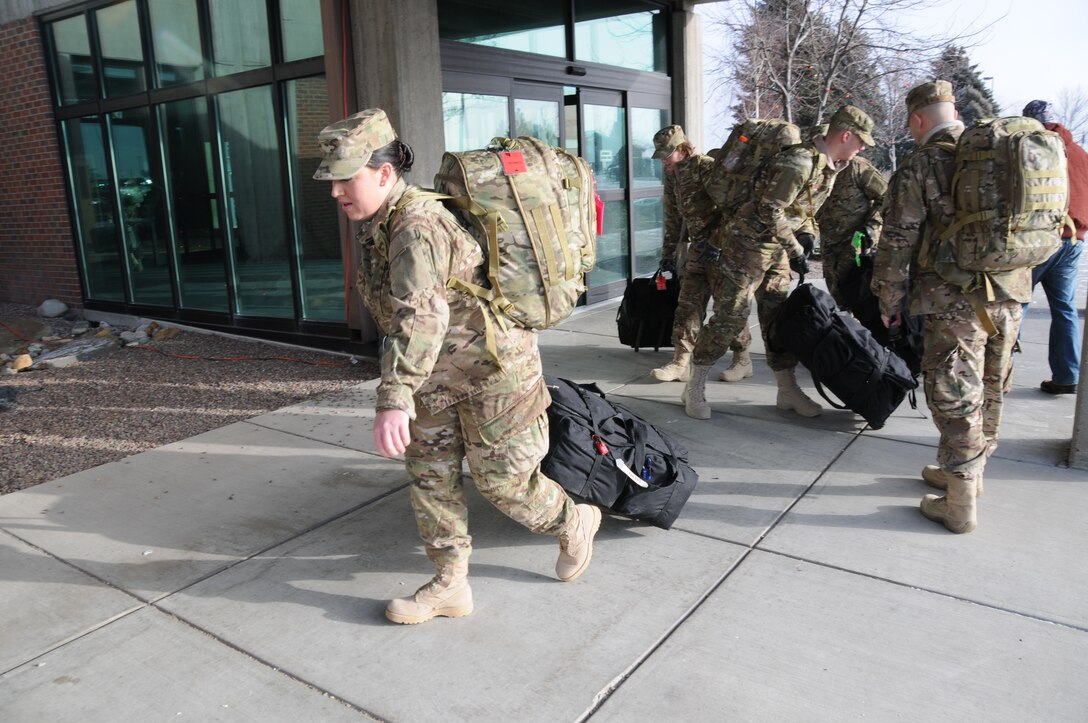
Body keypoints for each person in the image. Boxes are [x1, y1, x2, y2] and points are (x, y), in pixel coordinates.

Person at [313, 109, 601, 624]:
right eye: (332, 181)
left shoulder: (416, 228)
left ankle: (572, 519)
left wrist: (393, 397)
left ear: (383, 173)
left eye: (344, 179)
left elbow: (419, 318)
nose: (336, 193)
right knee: (431, 477)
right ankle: (450, 584)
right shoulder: (381, 222)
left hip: (494, 373)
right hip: (437, 376)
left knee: (503, 485)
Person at [872, 81, 1031, 534]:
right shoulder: (1001, 153)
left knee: (955, 394)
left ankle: (959, 501)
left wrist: (889, 299)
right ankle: (972, 474)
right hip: (1010, 293)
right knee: (992, 385)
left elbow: (898, 238)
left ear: (918, 118)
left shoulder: (923, 161)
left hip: (955, 301)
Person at [682, 105, 876, 420]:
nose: (863, 147)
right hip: (744, 246)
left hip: (775, 251)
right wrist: (797, 250)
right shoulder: (798, 162)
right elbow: (769, 209)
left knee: (778, 320)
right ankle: (695, 385)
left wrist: (808, 234)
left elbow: (805, 210)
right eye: (861, 140)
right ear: (846, 134)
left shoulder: (825, 165)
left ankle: (786, 391)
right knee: (729, 318)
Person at [650, 125, 753, 384]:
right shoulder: (672, 177)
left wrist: (717, 243)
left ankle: (742, 358)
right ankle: (680, 361)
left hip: (723, 250)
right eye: (660, 154)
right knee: (688, 306)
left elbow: (732, 209)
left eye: (667, 153)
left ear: (682, 149)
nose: (663, 159)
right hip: (698, 249)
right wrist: (668, 255)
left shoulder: (706, 167)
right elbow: (673, 219)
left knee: (727, 307)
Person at [1021, 100, 1088, 395]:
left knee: (1015, 301)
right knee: (1064, 309)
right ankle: (1066, 376)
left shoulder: (1036, 148)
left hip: (1041, 238)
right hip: (1074, 239)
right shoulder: (1080, 153)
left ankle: (998, 374)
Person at [815, 154, 887, 307]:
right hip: (829, 243)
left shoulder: (856, 166)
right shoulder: (817, 166)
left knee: (858, 295)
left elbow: (887, 197)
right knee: (837, 296)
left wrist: (872, 226)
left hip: (856, 242)